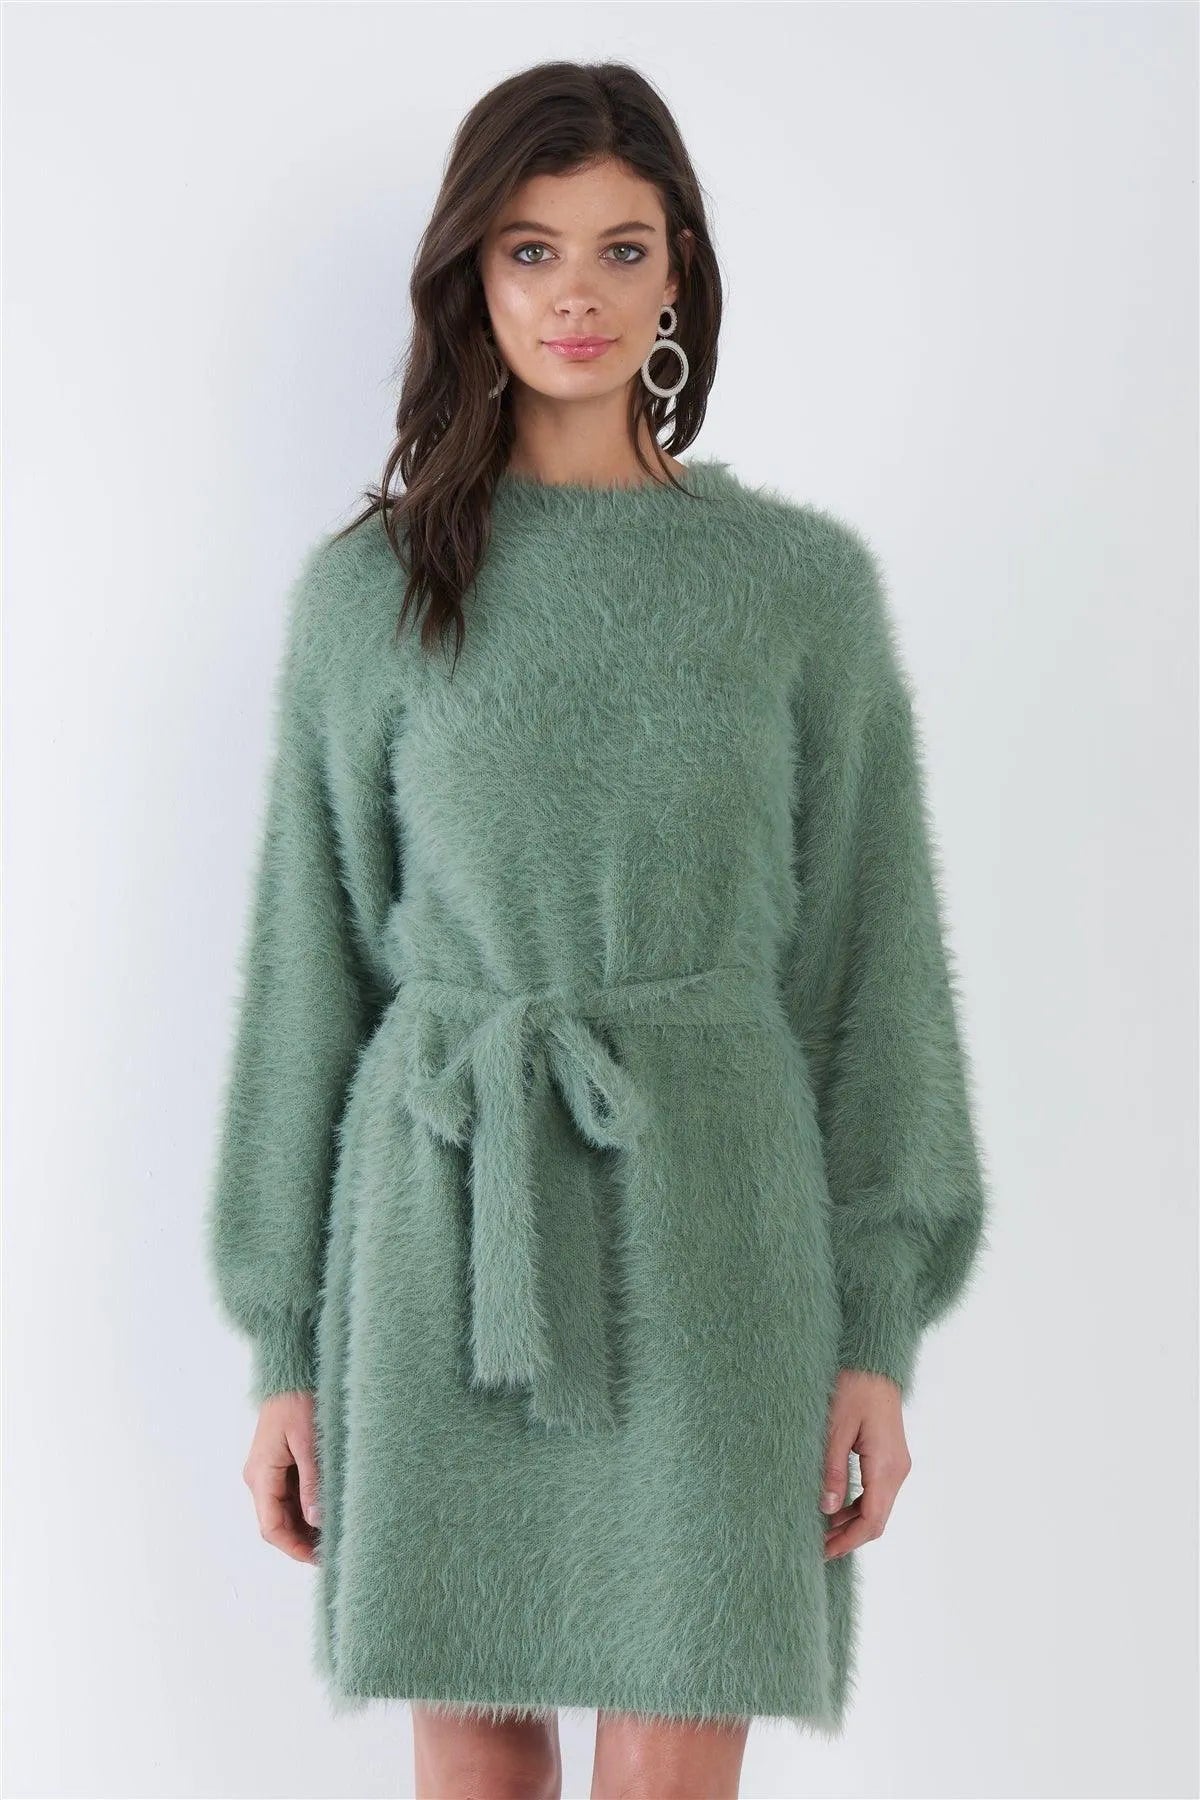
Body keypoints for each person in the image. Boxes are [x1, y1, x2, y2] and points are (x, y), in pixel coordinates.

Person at [205, 59, 989, 1800]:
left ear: (679, 272)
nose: (577, 295)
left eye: (622, 250)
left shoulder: (796, 587)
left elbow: (871, 970)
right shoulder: (372, 593)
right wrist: (286, 1345)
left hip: (718, 1229)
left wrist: (875, 1324)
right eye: (530, 250)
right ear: (471, 281)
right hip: (443, 1219)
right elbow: (307, 976)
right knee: (475, 1762)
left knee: (669, 1763)